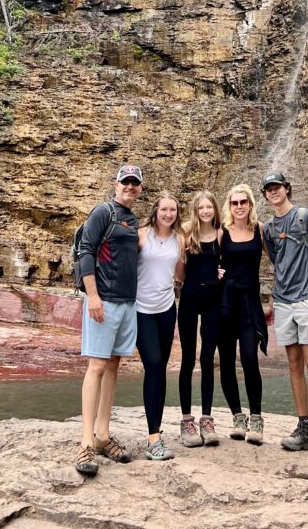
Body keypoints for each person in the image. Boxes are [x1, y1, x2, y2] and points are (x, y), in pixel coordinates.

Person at [262, 170, 308, 463]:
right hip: (283, 302)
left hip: (306, 300)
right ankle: (303, 429)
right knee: (293, 364)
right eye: (269, 189)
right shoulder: (268, 227)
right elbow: (276, 260)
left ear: (287, 188)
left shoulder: (306, 217)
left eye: (277, 187)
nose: (273, 192)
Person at [75, 163, 142, 476]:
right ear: (116, 184)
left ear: (140, 188)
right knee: (97, 365)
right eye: (125, 182)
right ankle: (85, 442)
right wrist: (92, 295)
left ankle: (103, 435)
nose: (129, 187)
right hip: (104, 301)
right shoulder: (103, 212)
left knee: (113, 364)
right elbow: (85, 251)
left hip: (127, 303)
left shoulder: (131, 219)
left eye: (135, 183)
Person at [136, 190, 185, 461]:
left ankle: (156, 431)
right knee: (153, 364)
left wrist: (213, 272)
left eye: (173, 210)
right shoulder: (141, 235)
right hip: (140, 309)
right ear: (156, 211)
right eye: (164, 209)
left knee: (160, 368)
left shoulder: (180, 240)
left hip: (167, 309)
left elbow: (180, 275)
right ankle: (153, 438)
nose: (168, 214)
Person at [218, 183, 268, 445]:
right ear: (229, 206)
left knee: (249, 358)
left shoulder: (259, 230)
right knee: (226, 361)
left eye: (243, 202)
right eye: (234, 203)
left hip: (249, 302)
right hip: (225, 303)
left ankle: (257, 418)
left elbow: (279, 257)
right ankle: (238, 416)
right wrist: (212, 274)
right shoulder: (221, 233)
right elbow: (206, 259)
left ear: (250, 204)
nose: (239, 207)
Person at [176, 191, 223, 447]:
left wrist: (222, 272)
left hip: (213, 299)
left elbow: (226, 261)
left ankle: (207, 419)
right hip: (190, 297)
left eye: (209, 207)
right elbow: (179, 270)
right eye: (201, 207)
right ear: (195, 210)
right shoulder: (186, 233)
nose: (205, 211)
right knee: (187, 358)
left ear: (215, 209)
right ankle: (186, 421)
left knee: (207, 358)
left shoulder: (220, 234)